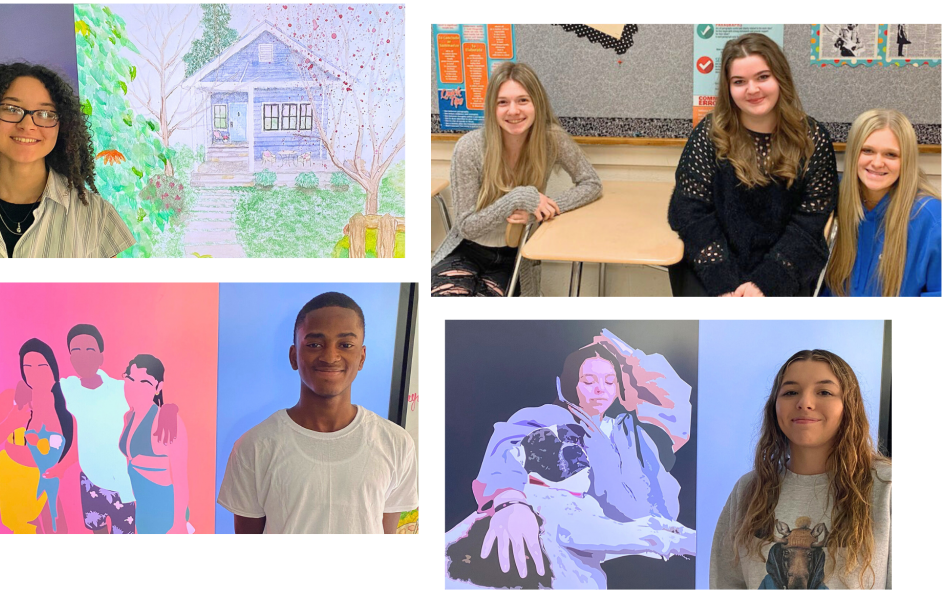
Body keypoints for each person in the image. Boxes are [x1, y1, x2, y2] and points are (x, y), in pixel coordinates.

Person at [446, 329, 693, 589]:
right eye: (589, 380)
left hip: (615, 564)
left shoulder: (628, 432)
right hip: (533, 556)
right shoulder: (548, 421)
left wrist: (630, 357)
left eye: (610, 381)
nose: (600, 389)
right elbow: (506, 451)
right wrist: (510, 501)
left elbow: (671, 413)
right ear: (570, 383)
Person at [217, 291, 418, 534]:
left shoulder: (396, 443)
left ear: (362, 357)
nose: (330, 356)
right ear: (294, 356)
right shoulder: (254, 446)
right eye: (314, 344)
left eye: (345, 345)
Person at [668, 33, 838, 296]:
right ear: (728, 88)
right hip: (713, 264)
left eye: (762, 77)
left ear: (780, 78)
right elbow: (690, 212)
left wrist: (766, 282)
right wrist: (723, 282)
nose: (752, 89)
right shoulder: (710, 134)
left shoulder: (811, 138)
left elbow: (810, 221)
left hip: (785, 266)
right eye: (739, 81)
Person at [710, 350, 892, 589]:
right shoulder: (748, 490)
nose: (804, 402)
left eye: (824, 392)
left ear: (849, 406)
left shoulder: (885, 487)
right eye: (791, 392)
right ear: (774, 406)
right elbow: (727, 582)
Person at [0, 61, 135, 258]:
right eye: (12, 109)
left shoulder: (96, 216)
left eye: (46, 113)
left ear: (63, 126)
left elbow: (110, 301)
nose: (28, 125)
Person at [431, 62, 602, 297]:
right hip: (467, 250)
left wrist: (544, 209)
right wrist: (520, 197)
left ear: (537, 103)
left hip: (515, 256)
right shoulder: (469, 147)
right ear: (492, 108)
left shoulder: (552, 139)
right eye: (503, 102)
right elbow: (467, 227)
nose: (513, 111)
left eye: (523, 100)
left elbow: (591, 184)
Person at [59, 324, 181, 535]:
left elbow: (148, 401)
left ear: (100, 356)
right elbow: (43, 388)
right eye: (75, 351)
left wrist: (168, 409)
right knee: (96, 531)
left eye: (89, 350)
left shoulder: (120, 389)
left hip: (123, 485)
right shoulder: (67, 389)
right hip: (89, 480)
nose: (82, 356)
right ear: (70, 358)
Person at [821, 109, 941, 296]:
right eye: (867, 150)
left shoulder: (931, 218)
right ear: (853, 153)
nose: (877, 163)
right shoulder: (832, 197)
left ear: (906, 161)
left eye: (891, 155)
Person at [0, 338, 78, 534]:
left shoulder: (64, 409)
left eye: (41, 366)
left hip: (46, 484)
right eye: (28, 367)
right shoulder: (10, 399)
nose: (34, 372)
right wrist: (12, 422)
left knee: (58, 530)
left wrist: (61, 468)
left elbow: (74, 448)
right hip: (16, 484)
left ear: (53, 369)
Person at [118, 354, 190, 534]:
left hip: (166, 515)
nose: (135, 387)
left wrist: (179, 524)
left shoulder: (167, 420)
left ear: (158, 387)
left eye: (144, 382)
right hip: (143, 511)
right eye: (131, 379)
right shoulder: (129, 417)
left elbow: (180, 478)